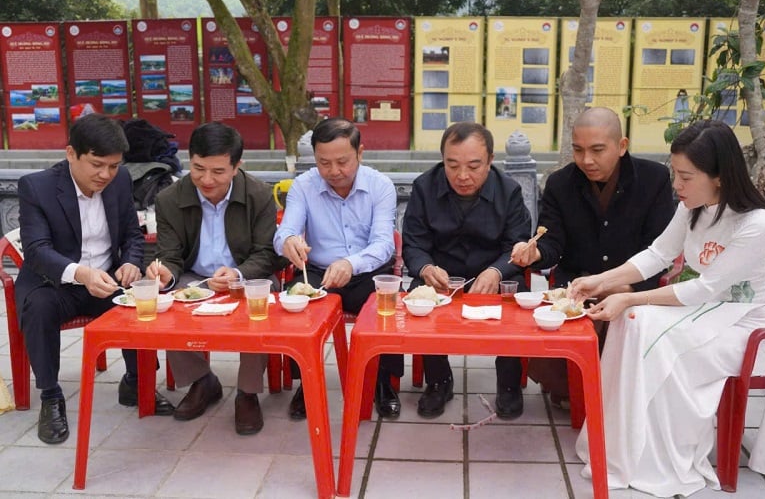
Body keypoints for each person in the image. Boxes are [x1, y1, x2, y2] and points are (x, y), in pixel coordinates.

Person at [569, 120, 765, 496]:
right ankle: (624, 448)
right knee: (633, 322)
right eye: (674, 174)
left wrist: (629, 295)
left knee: (659, 339)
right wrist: (602, 280)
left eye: (685, 177)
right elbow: (659, 253)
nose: (676, 186)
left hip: (753, 329)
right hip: (708, 313)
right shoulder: (695, 206)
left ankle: (666, 460)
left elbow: (705, 287)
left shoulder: (758, 225)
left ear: (720, 177)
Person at [16, 113, 174, 445]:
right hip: (56, 284)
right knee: (40, 306)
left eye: (114, 166)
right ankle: (51, 396)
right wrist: (81, 273)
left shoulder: (119, 181)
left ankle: (136, 381)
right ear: (71, 153)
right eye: (97, 164)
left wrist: (130, 263)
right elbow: (36, 250)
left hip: (107, 282)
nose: (105, 175)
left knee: (139, 300)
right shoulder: (37, 187)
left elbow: (133, 235)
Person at [509, 106, 674, 408]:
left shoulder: (654, 180)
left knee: (630, 320)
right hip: (576, 285)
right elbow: (552, 245)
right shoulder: (560, 183)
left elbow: (660, 249)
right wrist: (534, 254)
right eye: (578, 150)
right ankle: (574, 387)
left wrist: (628, 289)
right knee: (567, 316)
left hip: (634, 283)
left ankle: (616, 392)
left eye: (598, 150)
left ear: (621, 146)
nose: (587, 160)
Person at [146, 121, 282, 435]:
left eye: (218, 171)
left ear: (237, 166)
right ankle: (201, 380)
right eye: (198, 168)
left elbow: (267, 254)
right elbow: (170, 255)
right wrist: (165, 272)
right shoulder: (169, 198)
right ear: (188, 160)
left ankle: (247, 392)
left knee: (259, 303)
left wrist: (237, 273)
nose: (207, 180)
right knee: (168, 300)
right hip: (194, 277)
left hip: (247, 276)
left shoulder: (258, 195)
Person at [274, 117, 403, 419]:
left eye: (343, 162)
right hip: (317, 273)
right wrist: (289, 240)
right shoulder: (303, 186)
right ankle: (307, 382)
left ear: (360, 153)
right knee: (294, 305)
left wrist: (351, 263)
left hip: (368, 271)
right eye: (324, 163)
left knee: (387, 308)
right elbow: (284, 232)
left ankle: (383, 382)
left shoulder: (380, 186)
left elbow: (384, 243)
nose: (334, 172)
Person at [403, 122, 532, 419]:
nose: (462, 176)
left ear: (490, 160)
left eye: (474, 166)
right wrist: (426, 268)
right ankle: (439, 381)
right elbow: (413, 244)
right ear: (442, 160)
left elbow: (518, 244)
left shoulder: (509, 190)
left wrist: (497, 271)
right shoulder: (424, 187)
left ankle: (509, 383)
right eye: (453, 165)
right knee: (417, 301)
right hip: (442, 275)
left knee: (518, 300)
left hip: (494, 274)